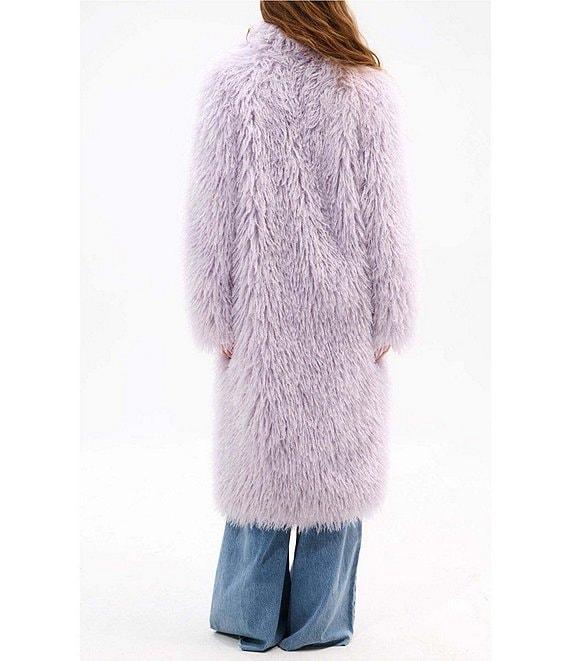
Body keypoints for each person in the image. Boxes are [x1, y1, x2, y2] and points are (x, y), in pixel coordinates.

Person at [187, 0, 415, 652]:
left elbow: (213, 212)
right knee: (335, 470)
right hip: (346, 316)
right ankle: (317, 622)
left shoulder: (232, 84)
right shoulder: (365, 90)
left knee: (260, 465)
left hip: (259, 314)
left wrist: (216, 311)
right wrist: (391, 312)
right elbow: (386, 218)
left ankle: (248, 616)